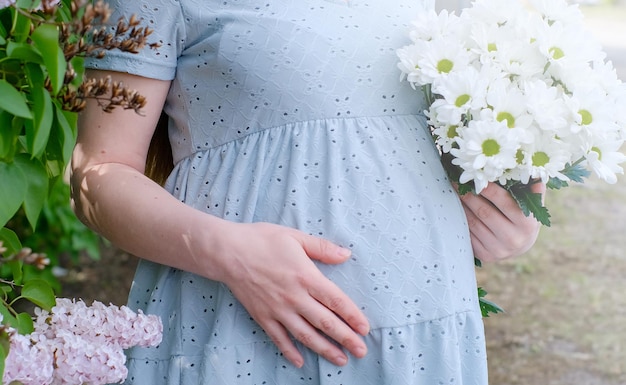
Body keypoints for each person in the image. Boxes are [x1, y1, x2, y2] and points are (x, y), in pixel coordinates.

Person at [70, 0, 543, 384]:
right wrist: (229, 253)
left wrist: (509, 217)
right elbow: (97, 173)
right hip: (246, 335)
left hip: (424, 326)